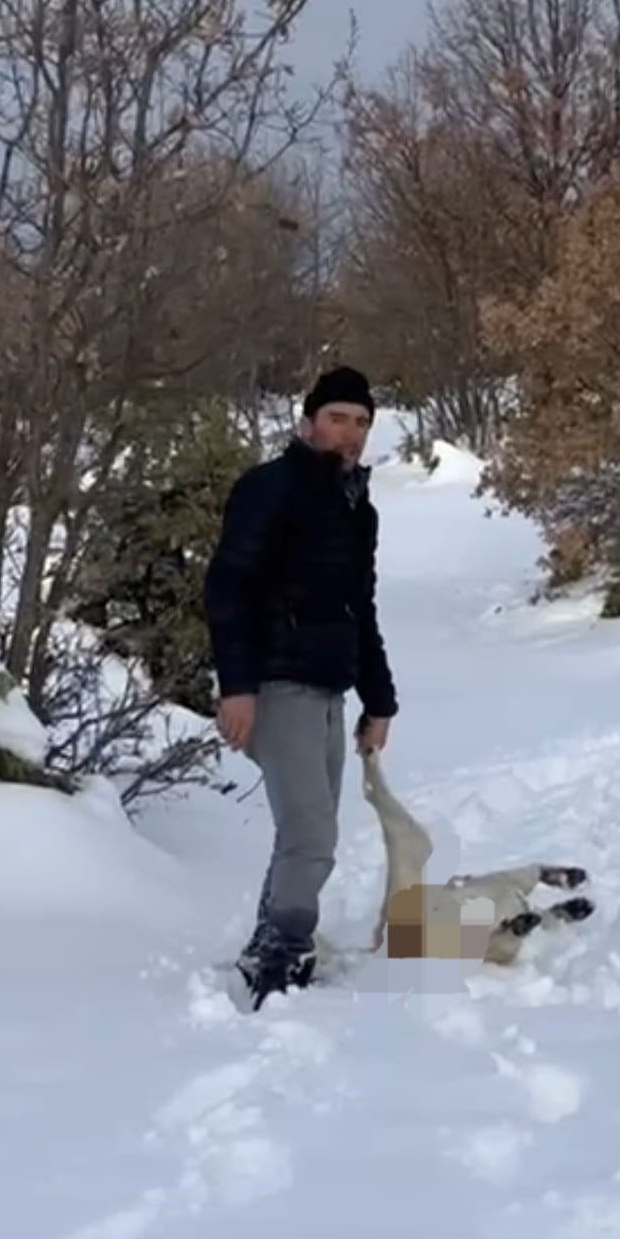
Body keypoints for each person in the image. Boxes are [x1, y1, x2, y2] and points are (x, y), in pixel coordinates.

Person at [202, 366, 398, 1008]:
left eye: (362, 421)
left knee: (307, 832)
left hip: (329, 690)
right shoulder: (269, 488)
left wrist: (380, 700)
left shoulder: (354, 508)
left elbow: (360, 609)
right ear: (309, 421)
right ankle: (281, 957)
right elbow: (227, 587)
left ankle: (269, 938)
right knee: (312, 835)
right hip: (275, 684)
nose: (350, 432)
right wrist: (237, 686)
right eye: (338, 417)